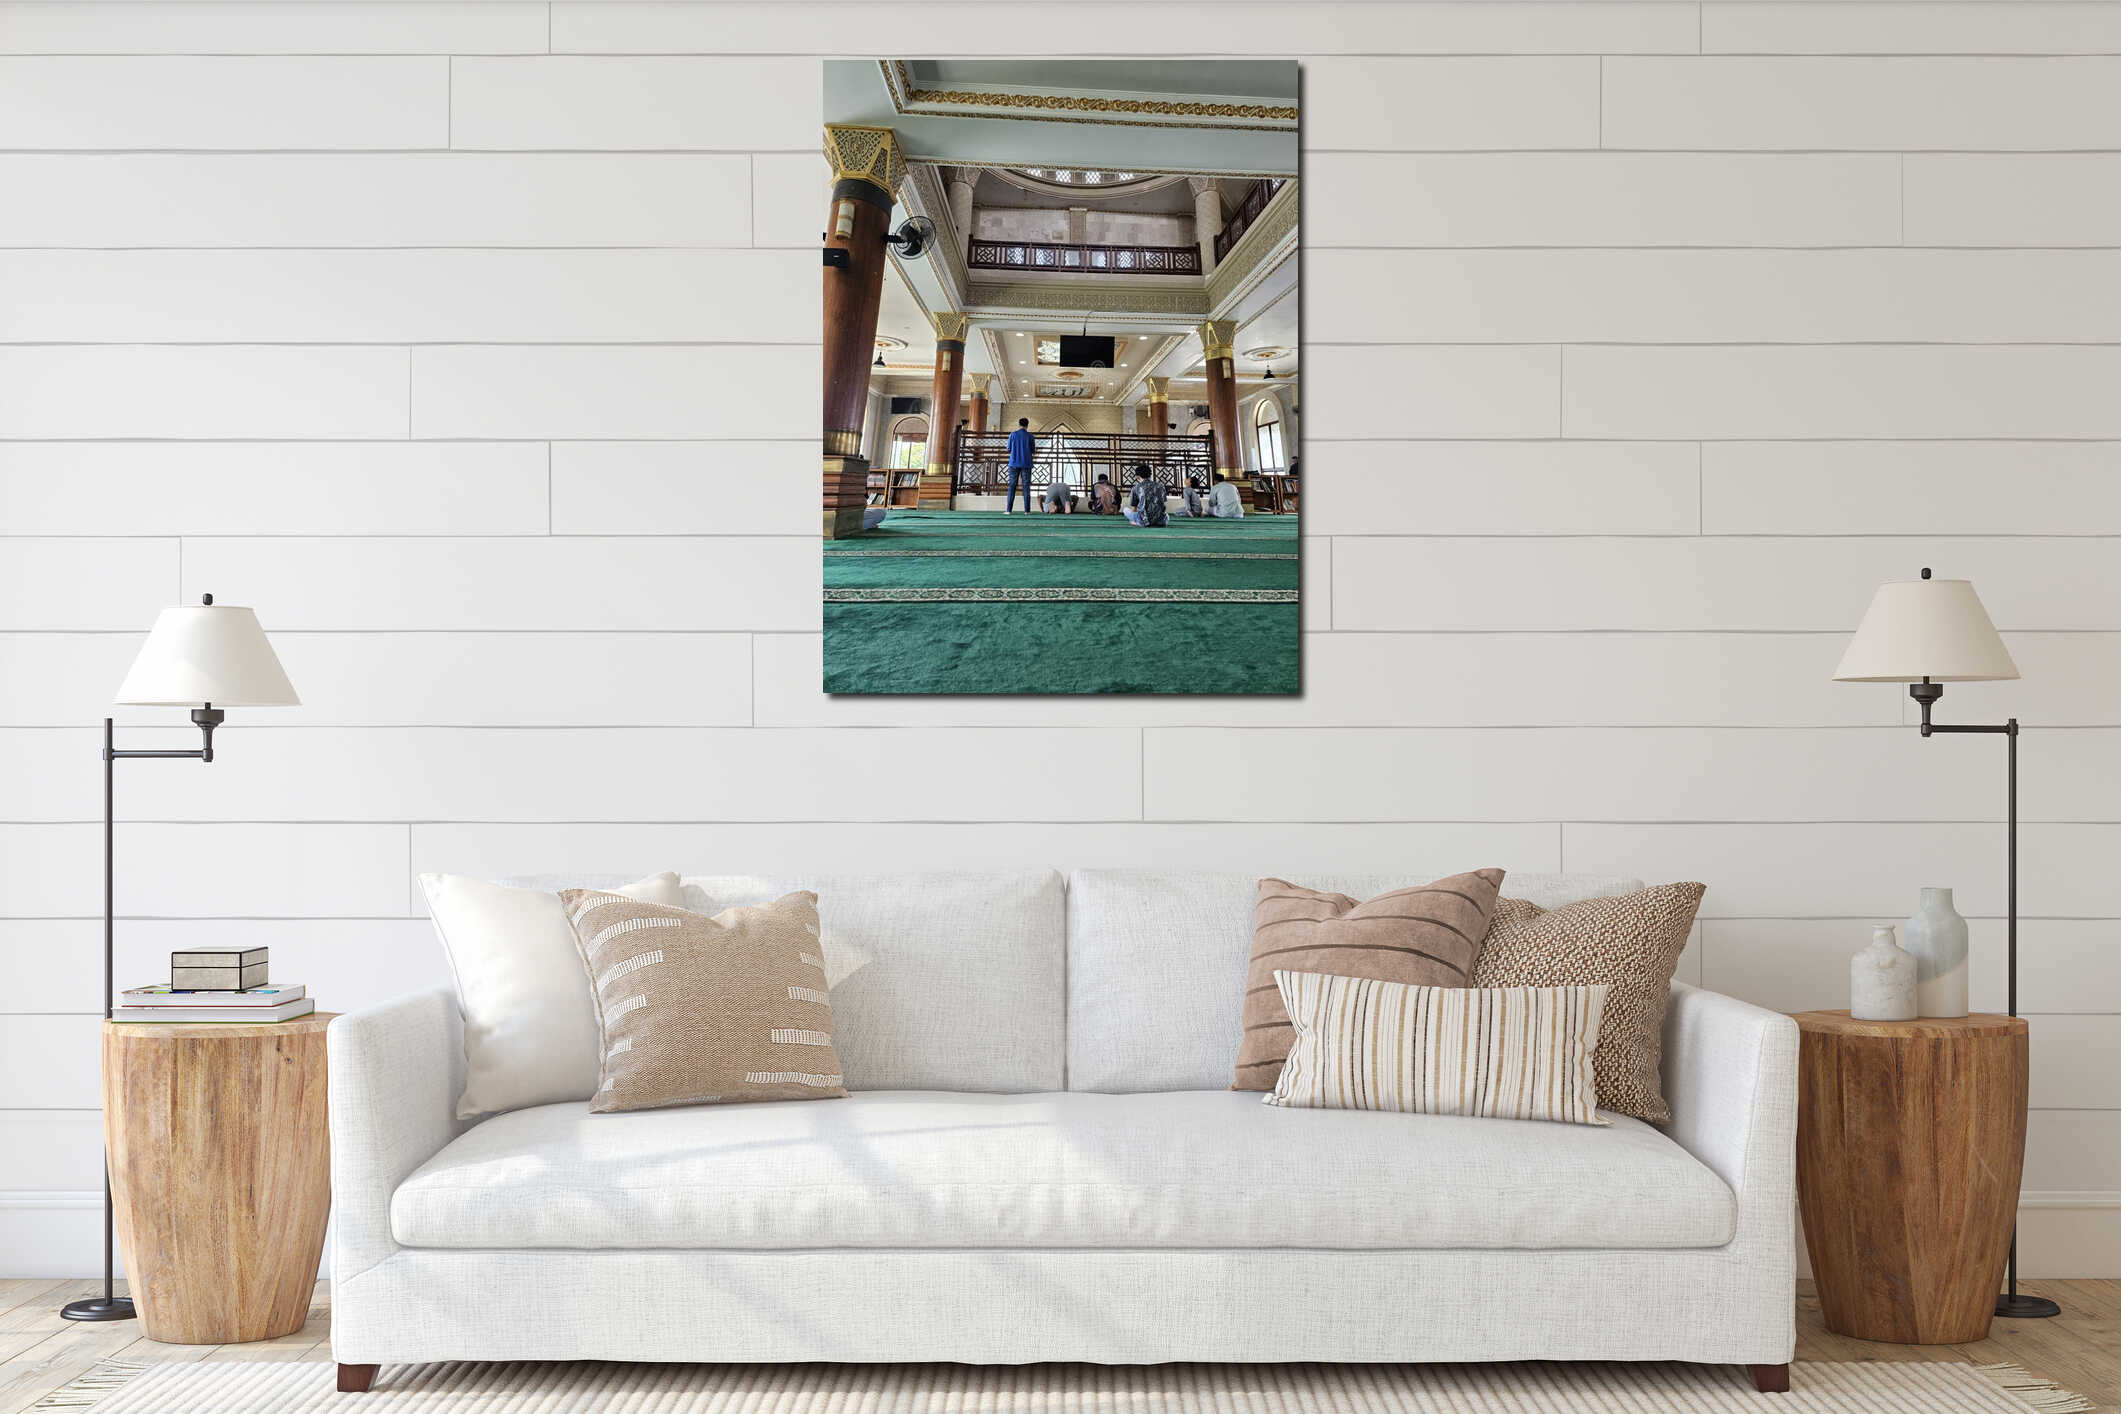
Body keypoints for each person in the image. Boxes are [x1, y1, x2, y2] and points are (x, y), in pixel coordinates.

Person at [1004, 418, 1035, 514]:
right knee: (1026, 486)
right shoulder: (1030, 436)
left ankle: (1008, 510)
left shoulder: (1013, 435)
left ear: (1019, 424)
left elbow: (1008, 449)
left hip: (1013, 463)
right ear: (1027, 425)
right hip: (1026, 464)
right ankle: (1027, 511)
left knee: (1012, 486)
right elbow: (1033, 450)